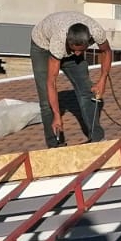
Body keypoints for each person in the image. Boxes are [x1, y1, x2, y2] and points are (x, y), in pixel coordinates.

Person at [30, 11, 112, 148]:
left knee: (87, 90)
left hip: (65, 39)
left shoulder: (96, 31)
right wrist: (57, 115)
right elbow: (51, 82)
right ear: (68, 42)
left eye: (81, 50)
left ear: (88, 40)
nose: (77, 54)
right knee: (46, 102)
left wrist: (103, 80)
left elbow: (106, 51)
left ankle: (97, 138)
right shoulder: (59, 42)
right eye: (74, 50)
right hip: (42, 47)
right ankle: (55, 145)